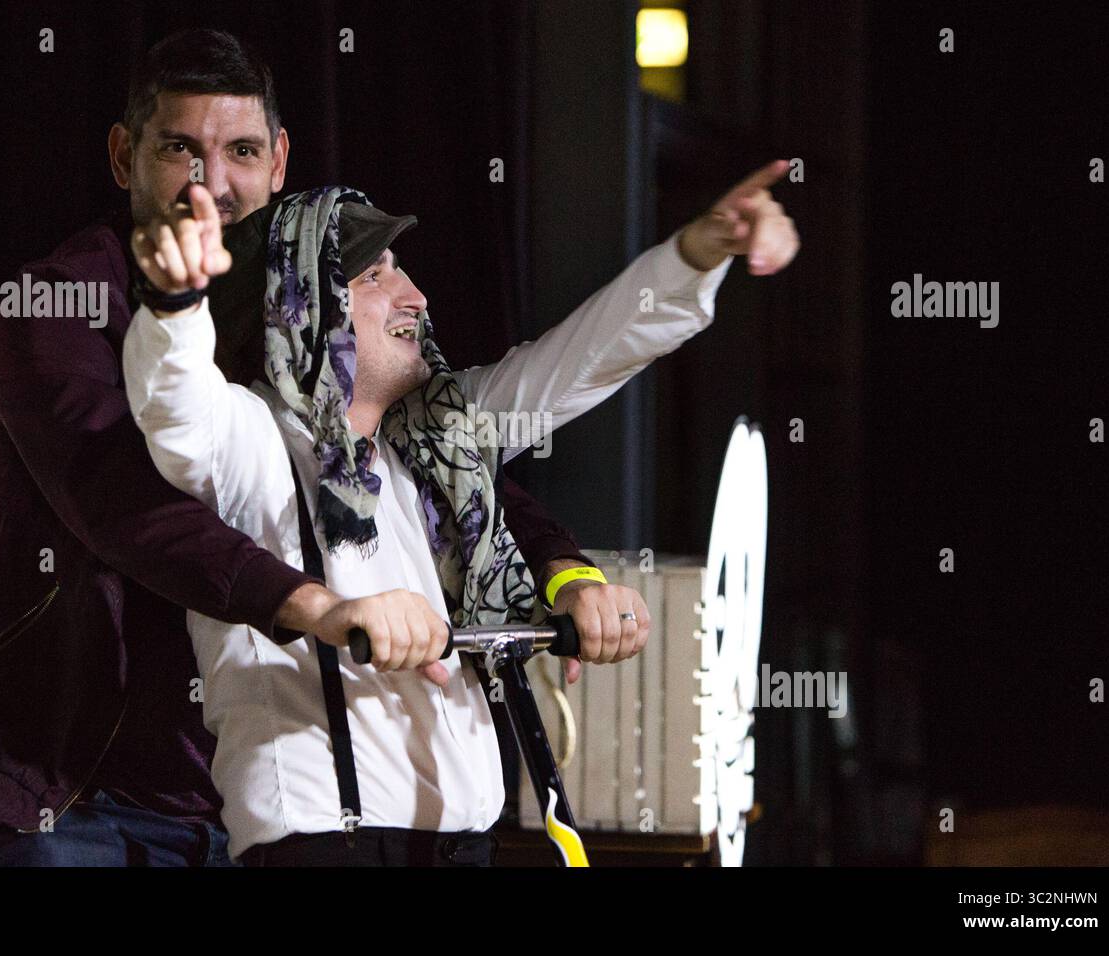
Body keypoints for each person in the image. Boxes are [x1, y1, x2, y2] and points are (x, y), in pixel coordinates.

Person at [0, 29, 609, 868]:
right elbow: (127, 510)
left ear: (279, 161)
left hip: (231, 794)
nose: (214, 182)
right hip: (64, 789)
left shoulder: (299, 314)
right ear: (123, 155)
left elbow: (422, 459)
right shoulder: (59, 306)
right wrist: (317, 607)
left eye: (241, 150)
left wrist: (563, 568)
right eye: (180, 148)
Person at [120, 167, 794, 864]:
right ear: (303, 305)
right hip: (328, 847)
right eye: (375, 277)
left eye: (401, 270)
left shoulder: (432, 444)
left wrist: (700, 251)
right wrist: (174, 305)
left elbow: (582, 360)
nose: (416, 296)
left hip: (463, 845)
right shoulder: (252, 441)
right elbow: (175, 405)